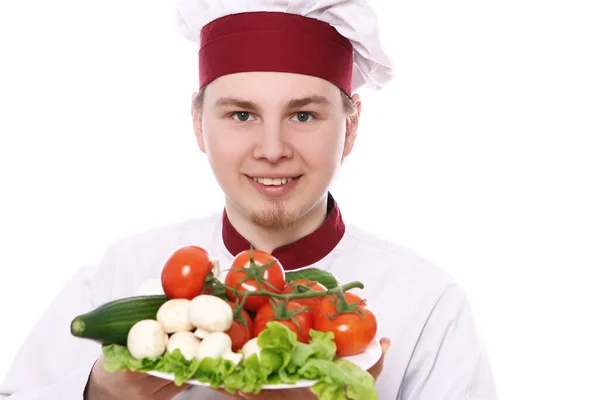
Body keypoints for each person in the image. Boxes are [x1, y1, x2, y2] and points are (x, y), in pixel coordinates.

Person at [0, 0, 498, 399]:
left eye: (304, 116)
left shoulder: (428, 304)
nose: (273, 150)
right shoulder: (120, 272)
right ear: (199, 124)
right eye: (241, 115)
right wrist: (98, 395)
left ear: (351, 128)